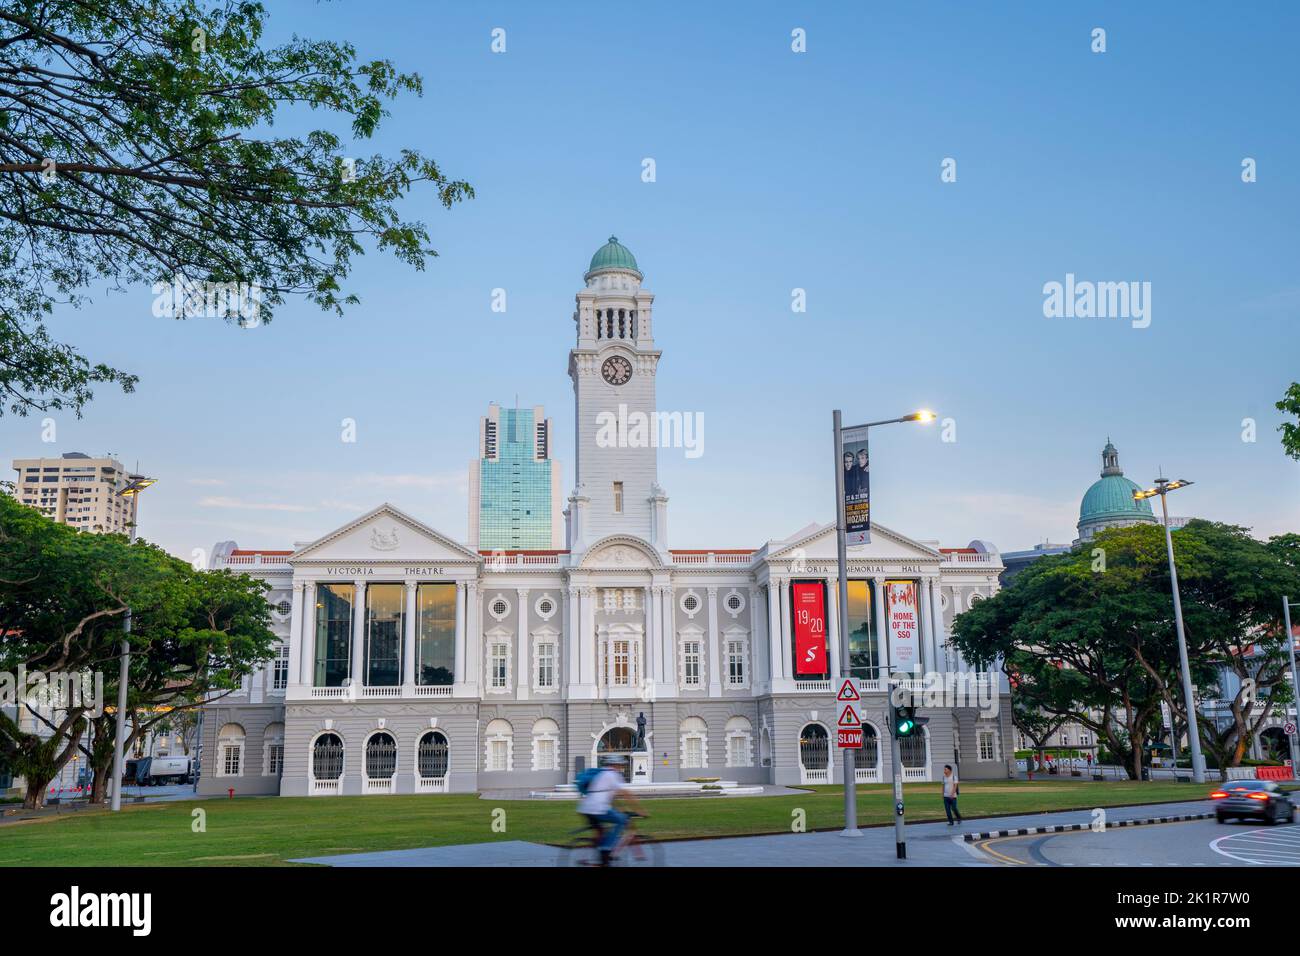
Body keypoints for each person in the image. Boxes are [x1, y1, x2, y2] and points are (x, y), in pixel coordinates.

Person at [577, 756, 643, 865]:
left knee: (602, 832)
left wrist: (621, 809)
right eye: (620, 765)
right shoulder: (612, 775)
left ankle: (599, 855)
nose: (621, 767)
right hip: (597, 808)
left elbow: (612, 797)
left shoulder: (603, 774)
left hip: (586, 808)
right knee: (622, 820)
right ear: (615, 765)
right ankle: (606, 850)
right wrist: (640, 810)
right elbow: (626, 793)